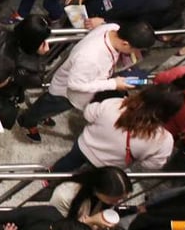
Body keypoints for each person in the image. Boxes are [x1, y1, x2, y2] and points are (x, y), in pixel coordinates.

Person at [17, 20, 156, 143]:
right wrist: (113, 83)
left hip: (75, 88)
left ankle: (41, 116)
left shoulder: (112, 28)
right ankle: (27, 121)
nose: (134, 53)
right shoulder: (91, 57)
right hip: (64, 93)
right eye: (134, 50)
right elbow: (76, 85)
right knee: (45, 107)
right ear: (125, 43)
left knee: (49, 108)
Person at [51, 84, 183, 172]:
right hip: (109, 167)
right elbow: (152, 165)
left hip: (84, 146)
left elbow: (88, 114)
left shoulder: (116, 104)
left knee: (67, 162)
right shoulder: (164, 140)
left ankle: (50, 178)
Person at [0, 15, 52, 117]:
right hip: (3, 93)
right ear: (34, 43)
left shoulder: (1, 35)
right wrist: (41, 56)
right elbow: (36, 81)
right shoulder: (28, 67)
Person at [49, 166, 131, 221]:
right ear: (97, 190)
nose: (117, 203)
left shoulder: (101, 198)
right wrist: (91, 222)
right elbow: (59, 228)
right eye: (114, 200)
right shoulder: (64, 195)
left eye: (121, 199)